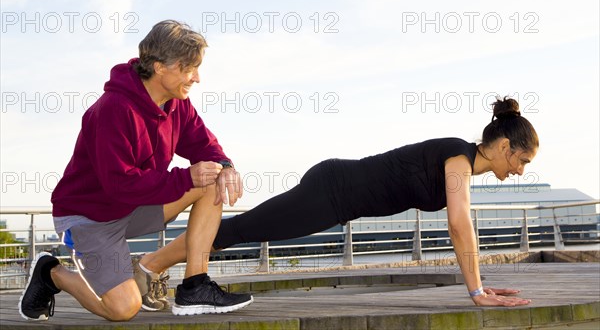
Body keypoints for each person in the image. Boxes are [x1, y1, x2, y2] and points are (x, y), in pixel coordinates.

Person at [144, 97, 537, 307]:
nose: (520, 170)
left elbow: (459, 221)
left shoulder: (461, 162)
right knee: (242, 229)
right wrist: (476, 291)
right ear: (504, 146)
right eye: (521, 160)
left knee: (242, 229)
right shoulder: (458, 157)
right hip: (333, 191)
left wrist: (478, 287)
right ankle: (150, 265)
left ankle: (151, 266)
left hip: (337, 196)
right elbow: (459, 223)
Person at [18, 20, 252, 322]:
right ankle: (51, 273)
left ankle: (195, 286)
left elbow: (204, 145)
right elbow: (119, 184)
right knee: (122, 309)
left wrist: (226, 166)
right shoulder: (113, 110)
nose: (197, 77)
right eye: (188, 68)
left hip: (133, 206)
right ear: (159, 67)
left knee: (212, 179)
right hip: (89, 217)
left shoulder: (177, 103)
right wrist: (186, 177)